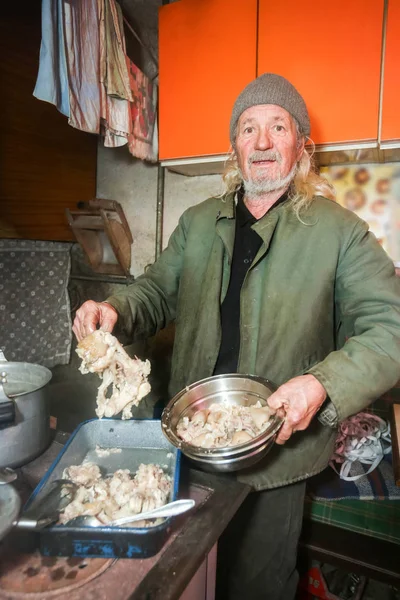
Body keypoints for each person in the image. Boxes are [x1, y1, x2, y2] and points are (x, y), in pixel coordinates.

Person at [73, 73, 400, 599]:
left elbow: (392, 328)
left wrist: (320, 386)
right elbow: (155, 291)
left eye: (277, 127)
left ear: (302, 146)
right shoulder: (200, 222)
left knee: (257, 585)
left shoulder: (339, 231)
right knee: (182, 577)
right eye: (249, 128)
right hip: (192, 438)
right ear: (235, 148)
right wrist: (112, 309)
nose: (263, 141)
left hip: (278, 455)